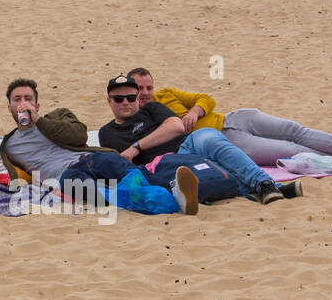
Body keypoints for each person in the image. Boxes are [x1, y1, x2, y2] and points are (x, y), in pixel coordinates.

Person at [0, 78, 201, 215]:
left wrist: (39, 121)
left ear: (37, 105)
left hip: (91, 158)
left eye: (28, 99)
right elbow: (19, 175)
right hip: (65, 176)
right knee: (105, 195)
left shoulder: (58, 116)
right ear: (9, 107)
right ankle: (170, 202)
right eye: (17, 100)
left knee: (133, 174)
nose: (23, 103)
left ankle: (174, 192)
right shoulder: (9, 145)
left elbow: (78, 136)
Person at [98, 75, 299, 204]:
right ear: (109, 101)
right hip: (163, 166)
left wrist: (137, 146)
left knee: (207, 136)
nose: (126, 102)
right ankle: (274, 188)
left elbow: (175, 127)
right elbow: (122, 165)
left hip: (187, 148)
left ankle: (265, 184)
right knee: (218, 171)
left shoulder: (151, 109)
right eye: (118, 99)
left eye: (131, 98)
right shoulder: (106, 133)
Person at [127, 68, 332, 167]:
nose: (146, 93)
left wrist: (196, 110)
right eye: (140, 89)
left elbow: (206, 98)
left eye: (149, 87)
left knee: (295, 129)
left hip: (235, 119)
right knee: (291, 149)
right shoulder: (140, 122)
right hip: (226, 142)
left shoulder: (166, 94)